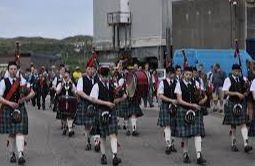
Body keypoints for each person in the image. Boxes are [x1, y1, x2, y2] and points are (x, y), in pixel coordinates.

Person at [0, 61, 35, 164]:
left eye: (15, 69)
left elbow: (32, 93)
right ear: (8, 70)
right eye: (11, 69)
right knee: (11, 133)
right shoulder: (3, 82)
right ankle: (12, 154)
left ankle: (20, 154)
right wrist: (9, 103)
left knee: (19, 132)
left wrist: (24, 98)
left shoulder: (22, 81)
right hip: (8, 109)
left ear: (17, 70)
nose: (13, 71)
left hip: (20, 109)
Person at [90, 66, 124, 166]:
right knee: (102, 135)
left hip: (111, 111)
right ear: (100, 75)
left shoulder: (112, 85)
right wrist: (106, 103)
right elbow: (93, 99)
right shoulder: (96, 86)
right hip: (101, 111)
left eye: (106, 75)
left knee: (113, 134)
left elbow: (115, 99)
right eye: (103, 76)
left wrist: (122, 98)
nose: (105, 78)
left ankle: (114, 156)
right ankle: (103, 155)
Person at [174, 66, 207, 165]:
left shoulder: (196, 84)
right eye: (186, 74)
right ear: (183, 74)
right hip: (183, 110)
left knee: (197, 134)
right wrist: (191, 105)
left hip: (195, 111)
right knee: (185, 135)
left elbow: (201, 97)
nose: (188, 76)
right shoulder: (179, 84)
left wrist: (204, 99)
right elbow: (179, 100)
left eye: (190, 74)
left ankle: (199, 155)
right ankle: (185, 154)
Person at [222, 64, 252, 153]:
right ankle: (233, 144)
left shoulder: (243, 79)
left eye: (238, 71)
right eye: (235, 70)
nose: (237, 72)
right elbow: (225, 92)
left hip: (241, 103)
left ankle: (246, 144)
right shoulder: (228, 79)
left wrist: (246, 93)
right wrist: (236, 93)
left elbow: (247, 89)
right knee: (233, 125)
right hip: (232, 103)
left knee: (243, 123)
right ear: (232, 71)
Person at [75, 59, 100, 151]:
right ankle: (88, 142)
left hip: (96, 104)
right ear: (86, 69)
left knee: (96, 123)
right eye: (89, 69)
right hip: (85, 103)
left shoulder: (98, 79)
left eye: (92, 69)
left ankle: (97, 142)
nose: (90, 71)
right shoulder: (82, 79)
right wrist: (89, 98)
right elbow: (79, 91)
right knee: (87, 125)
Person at [157, 67, 178, 154]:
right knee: (167, 126)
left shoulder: (177, 82)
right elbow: (160, 95)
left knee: (174, 126)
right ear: (169, 74)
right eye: (172, 73)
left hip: (175, 106)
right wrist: (171, 100)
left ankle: (172, 144)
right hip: (166, 105)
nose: (174, 75)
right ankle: (168, 145)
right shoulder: (163, 82)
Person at [56, 71, 77, 136]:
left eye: (67, 77)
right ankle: (65, 127)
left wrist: (73, 89)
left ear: (69, 77)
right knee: (64, 116)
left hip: (70, 101)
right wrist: (62, 86)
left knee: (70, 115)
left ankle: (70, 129)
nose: (66, 78)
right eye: (65, 77)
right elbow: (57, 92)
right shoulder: (60, 83)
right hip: (62, 101)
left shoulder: (72, 84)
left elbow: (75, 93)